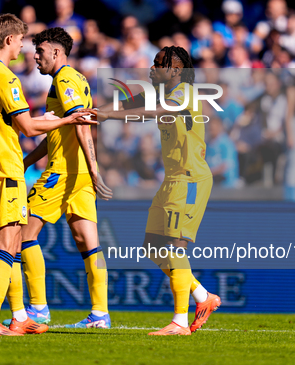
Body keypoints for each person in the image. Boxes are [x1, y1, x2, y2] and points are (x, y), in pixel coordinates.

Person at [0, 13, 95, 337]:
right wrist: (67, 121)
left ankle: (21, 315)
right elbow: (26, 126)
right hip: (3, 166)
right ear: (9, 40)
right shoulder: (5, 77)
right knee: (10, 242)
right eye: (22, 41)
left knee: (11, 242)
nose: (25, 48)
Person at [94, 46, 221, 335]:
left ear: (175, 70)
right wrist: (98, 112)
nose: (151, 69)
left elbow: (155, 110)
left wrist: (107, 117)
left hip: (190, 179)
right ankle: (203, 297)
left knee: (175, 248)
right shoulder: (162, 92)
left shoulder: (186, 92)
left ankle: (179, 321)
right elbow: (130, 105)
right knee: (151, 246)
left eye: (157, 64)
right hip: (172, 180)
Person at [6, 27, 113, 330]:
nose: (35, 56)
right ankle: (100, 314)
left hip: (63, 172)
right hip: (78, 173)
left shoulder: (64, 79)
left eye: (39, 51)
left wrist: (94, 169)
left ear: (56, 51)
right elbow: (61, 129)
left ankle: (38, 309)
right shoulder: (77, 78)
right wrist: (27, 161)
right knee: (88, 243)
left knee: (23, 235)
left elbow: (81, 124)